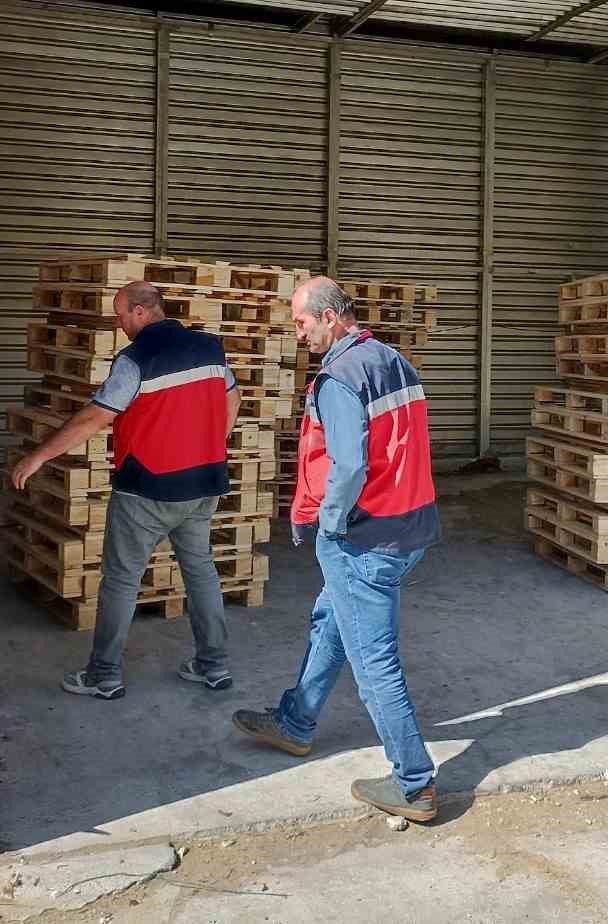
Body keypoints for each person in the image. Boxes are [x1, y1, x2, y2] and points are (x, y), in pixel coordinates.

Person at [230, 276, 443, 822]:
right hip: (409, 524)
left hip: (365, 538)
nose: (298, 333)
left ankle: (414, 784)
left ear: (329, 317)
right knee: (331, 619)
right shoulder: (393, 360)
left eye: (301, 322)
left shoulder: (338, 379)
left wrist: (329, 523)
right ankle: (295, 722)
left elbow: (348, 465)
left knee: (375, 662)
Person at [10, 280, 240, 700]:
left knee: (120, 580)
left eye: (119, 316)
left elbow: (94, 418)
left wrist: (40, 456)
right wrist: (212, 447)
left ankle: (104, 674)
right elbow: (232, 397)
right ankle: (214, 665)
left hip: (146, 490)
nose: (119, 324)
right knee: (201, 571)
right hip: (203, 484)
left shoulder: (136, 359)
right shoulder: (210, 349)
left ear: (140, 311)